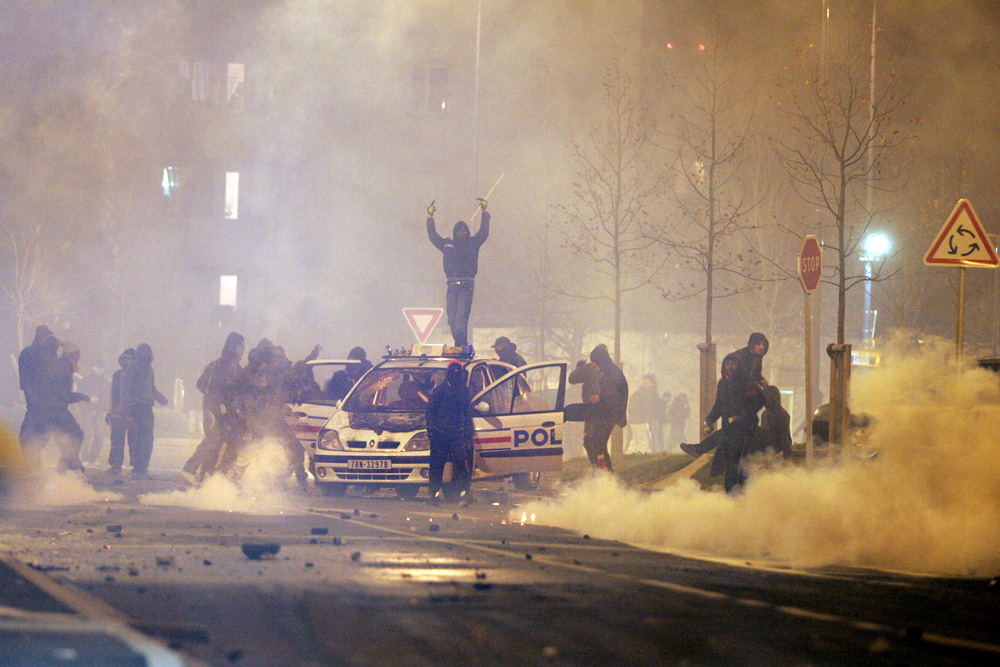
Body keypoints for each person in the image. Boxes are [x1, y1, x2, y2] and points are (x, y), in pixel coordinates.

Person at [425, 198, 490, 348]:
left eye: (465, 230)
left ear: (468, 232)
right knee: (451, 318)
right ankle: (459, 343)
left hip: (467, 284)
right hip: (452, 284)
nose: (463, 233)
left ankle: (460, 346)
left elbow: (484, 232)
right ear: (455, 232)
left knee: (461, 317)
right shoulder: (448, 244)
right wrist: (430, 218)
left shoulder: (473, 243)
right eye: (460, 230)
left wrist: (485, 212)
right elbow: (433, 236)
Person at [182, 332, 245, 484]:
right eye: (241, 346)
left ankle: (206, 475)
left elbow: (202, 383)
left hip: (215, 406)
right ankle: (189, 469)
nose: (243, 350)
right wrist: (220, 402)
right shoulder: (229, 364)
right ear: (236, 347)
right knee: (214, 438)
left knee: (221, 439)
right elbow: (231, 389)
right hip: (216, 408)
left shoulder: (217, 363)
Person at [704, 352, 765, 493]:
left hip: (745, 430)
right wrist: (710, 419)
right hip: (728, 430)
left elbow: (760, 400)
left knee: (739, 463)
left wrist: (744, 415)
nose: (730, 367)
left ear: (739, 365)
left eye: (733, 364)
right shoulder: (723, 384)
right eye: (727, 364)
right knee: (730, 463)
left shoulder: (748, 382)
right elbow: (719, 405)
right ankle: (733, 494)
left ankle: (740, 493)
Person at [28, 336, 91, 473]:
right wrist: (82, 397)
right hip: (56, 409)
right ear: (72, 354)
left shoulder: (60, 364)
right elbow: (64, 395)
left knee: (62, 436)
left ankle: (69, 463)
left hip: (50, 408)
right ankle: (68, 463)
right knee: (76, 434)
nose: (79, 356)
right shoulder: (64, 366)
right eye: (78, 352)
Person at [425, 361, 475, 505]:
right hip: (441, 434)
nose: (455, 375)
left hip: (457, 434)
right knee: (437, 466)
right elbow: (430, 412)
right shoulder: (440, 391)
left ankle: (463, 494)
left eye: (457, 372)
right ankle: (434, 495)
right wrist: (432, 430)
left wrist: (467, 432)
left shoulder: (463, 391)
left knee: (460, 466)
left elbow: (466, 413)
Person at [121, 343, 168, 480]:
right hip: (137, 406)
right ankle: (139, 469)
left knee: (146, 439)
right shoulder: (134, 367)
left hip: (146, 406)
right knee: (143, 439)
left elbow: (151, 387)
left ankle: (141, 468)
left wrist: (160, 398)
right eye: (144, 352)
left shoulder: (149, 368)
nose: (146, 354)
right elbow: (126, 389)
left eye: (148, 351)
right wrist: (127, 411)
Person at [106, 348, 135, 475]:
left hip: (133, 414)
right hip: (117, 413)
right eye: (123, 359)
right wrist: (109, 412)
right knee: (117, 441)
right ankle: (116, 466)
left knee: (134, 442)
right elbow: (112, 393)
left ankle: (137, 467)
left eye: (128, 359)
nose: (125, 362)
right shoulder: (117, 375)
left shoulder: (137, 375)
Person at [626, 375, 663, 454]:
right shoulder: (649, 394)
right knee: (644, 440)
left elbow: (631, 409)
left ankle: (631, 454)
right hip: (643, 420)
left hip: (635, 420)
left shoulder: (637, 394)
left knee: (634, 440)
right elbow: (652, 408)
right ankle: (642, 454)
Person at [759, 385, 792, 458]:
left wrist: (786, 456)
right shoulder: (765, 413)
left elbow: (785, 438)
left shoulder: (782, 415)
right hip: (766, 453)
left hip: (777, 453)